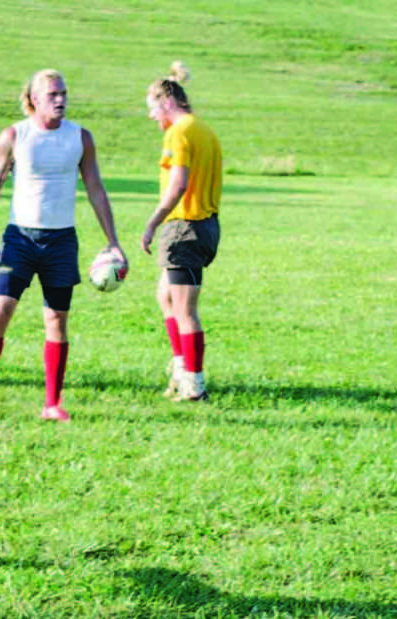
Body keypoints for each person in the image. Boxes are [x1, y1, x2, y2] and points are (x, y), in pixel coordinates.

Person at [0, 69, 127, 422]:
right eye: (53, 94)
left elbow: (96, 189)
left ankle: (52, 403)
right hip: (19, 238)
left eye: (64, 93)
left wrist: (113, 241)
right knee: (1, 311)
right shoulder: (15, 135)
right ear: (34, 99)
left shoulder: (80, 138)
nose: (60, 100)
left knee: (56, 319)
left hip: (61, 240)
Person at [141, 61, 222, 402]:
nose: (151, 117)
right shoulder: (203, 128)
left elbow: (178, 184)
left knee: (185, 309)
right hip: (204, 226)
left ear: (166, 101)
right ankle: (180, 367)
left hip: (185, 227)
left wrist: (153, 221)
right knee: (166, 296)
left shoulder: (179, 131)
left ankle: (194, 383)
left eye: (152, 108)